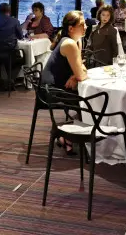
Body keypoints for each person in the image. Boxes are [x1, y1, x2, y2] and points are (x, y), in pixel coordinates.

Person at [42, 11, 88, 155]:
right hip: (50, 92)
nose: (86, 27)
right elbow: (82, 74)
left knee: (87, 99)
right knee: (90, 100)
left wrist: (75, 75)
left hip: (56, 87)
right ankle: (70, 135)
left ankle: (68, 135)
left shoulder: (75, 41)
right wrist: (77, 75)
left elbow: (81, 68)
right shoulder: (69, 44)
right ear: (71, 28)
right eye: (82, 25)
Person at [0, 3, 25, 84]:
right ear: (9, 11)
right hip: (10, 54)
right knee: (21, 60)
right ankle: (11, 79)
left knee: (1, 58)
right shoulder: (15, 21)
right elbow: (20, 37)